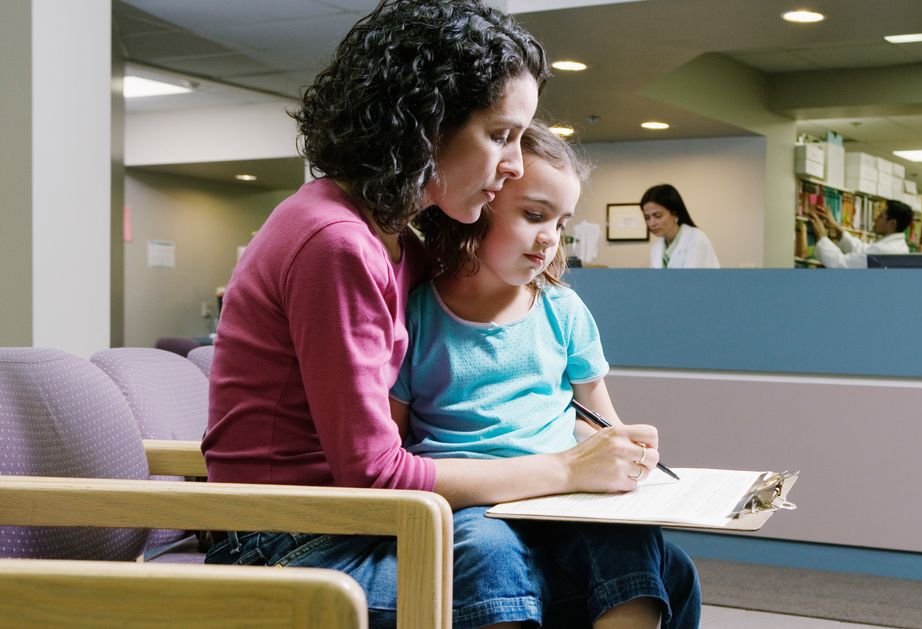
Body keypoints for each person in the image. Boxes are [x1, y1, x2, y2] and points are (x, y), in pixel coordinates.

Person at [200, 2, 690, 627]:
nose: (513, 164)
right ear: (425, 125)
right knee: (562, 578)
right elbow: (376, 474)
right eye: (500, 135)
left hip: (356, 520)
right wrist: (567, 467)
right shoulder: (335, 241)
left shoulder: (398, 236)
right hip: (293, 544)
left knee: (660, 570)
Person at [395, 121, 700, 628]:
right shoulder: (418, 314)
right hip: (469, 501)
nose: (549, 239)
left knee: (631, 536)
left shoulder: (563, 309)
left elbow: (604, 427)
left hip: (564, 497)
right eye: (534, 215)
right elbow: (391, 446)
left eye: (561, 223)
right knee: (485, 552)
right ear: (477, 207)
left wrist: (629, 455)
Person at [809, 199, 913, 268]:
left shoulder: (886, 251)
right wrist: (839, 231)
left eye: (881, 216)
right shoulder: (899, 247)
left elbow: (841, 264)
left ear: (892, 223)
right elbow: (863, 250)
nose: (875, 219)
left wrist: (821, 237)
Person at [641, 184, 720, 268]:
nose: (651, 223)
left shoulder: (696, 239)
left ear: (675, 214)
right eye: (647, 218)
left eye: (658, 216)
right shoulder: (656, 248)